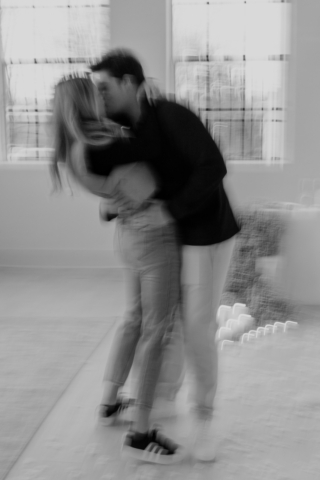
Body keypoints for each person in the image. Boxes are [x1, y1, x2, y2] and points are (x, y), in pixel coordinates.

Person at [90, 49, 241, 462]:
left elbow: (213, 166)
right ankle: (163, 399)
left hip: (205, 233)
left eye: (104, 88)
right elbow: (135, 180)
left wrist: (169, 210)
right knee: (164, 319)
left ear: (127, 82)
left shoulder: (173, 115)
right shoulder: (129, 130)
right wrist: (114, 204)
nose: (99, 97)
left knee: (195, 326)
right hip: (168, 236)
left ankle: (204, 417)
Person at [50, 73, 186, 464]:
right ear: (84, 103)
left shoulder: (78, 147)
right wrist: (147, 101)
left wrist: (115, 201)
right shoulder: (100, 144)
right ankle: (140, 433)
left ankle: (110, 402)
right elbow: (152, 149)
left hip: (131, 233)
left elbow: (113, 195)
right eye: (98, 95)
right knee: (157, 328)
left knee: (134, 319)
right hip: (150, 232)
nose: (104, 100)